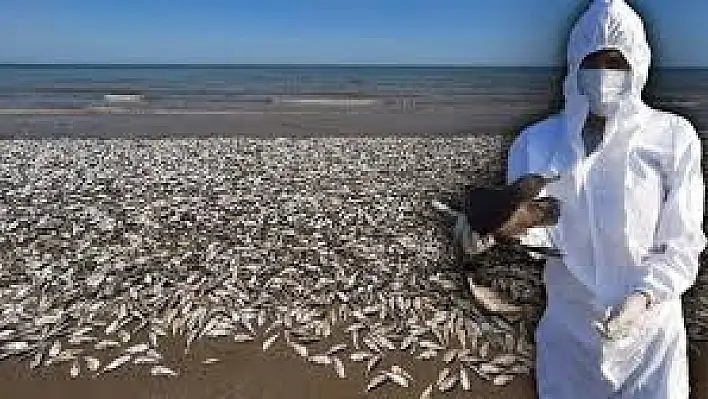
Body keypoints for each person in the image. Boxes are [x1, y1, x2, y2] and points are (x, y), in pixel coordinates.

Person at [456, 0, 706, 397]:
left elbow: (683, 238)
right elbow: (544, 237)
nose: (605, 74)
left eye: (617, 62)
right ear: (575, 65)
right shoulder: (536, 143)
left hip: (651, 338)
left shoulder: (674, 138)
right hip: (570, 333)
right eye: (595, 61)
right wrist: (505, 230)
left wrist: (644, 297)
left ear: (638, 64)